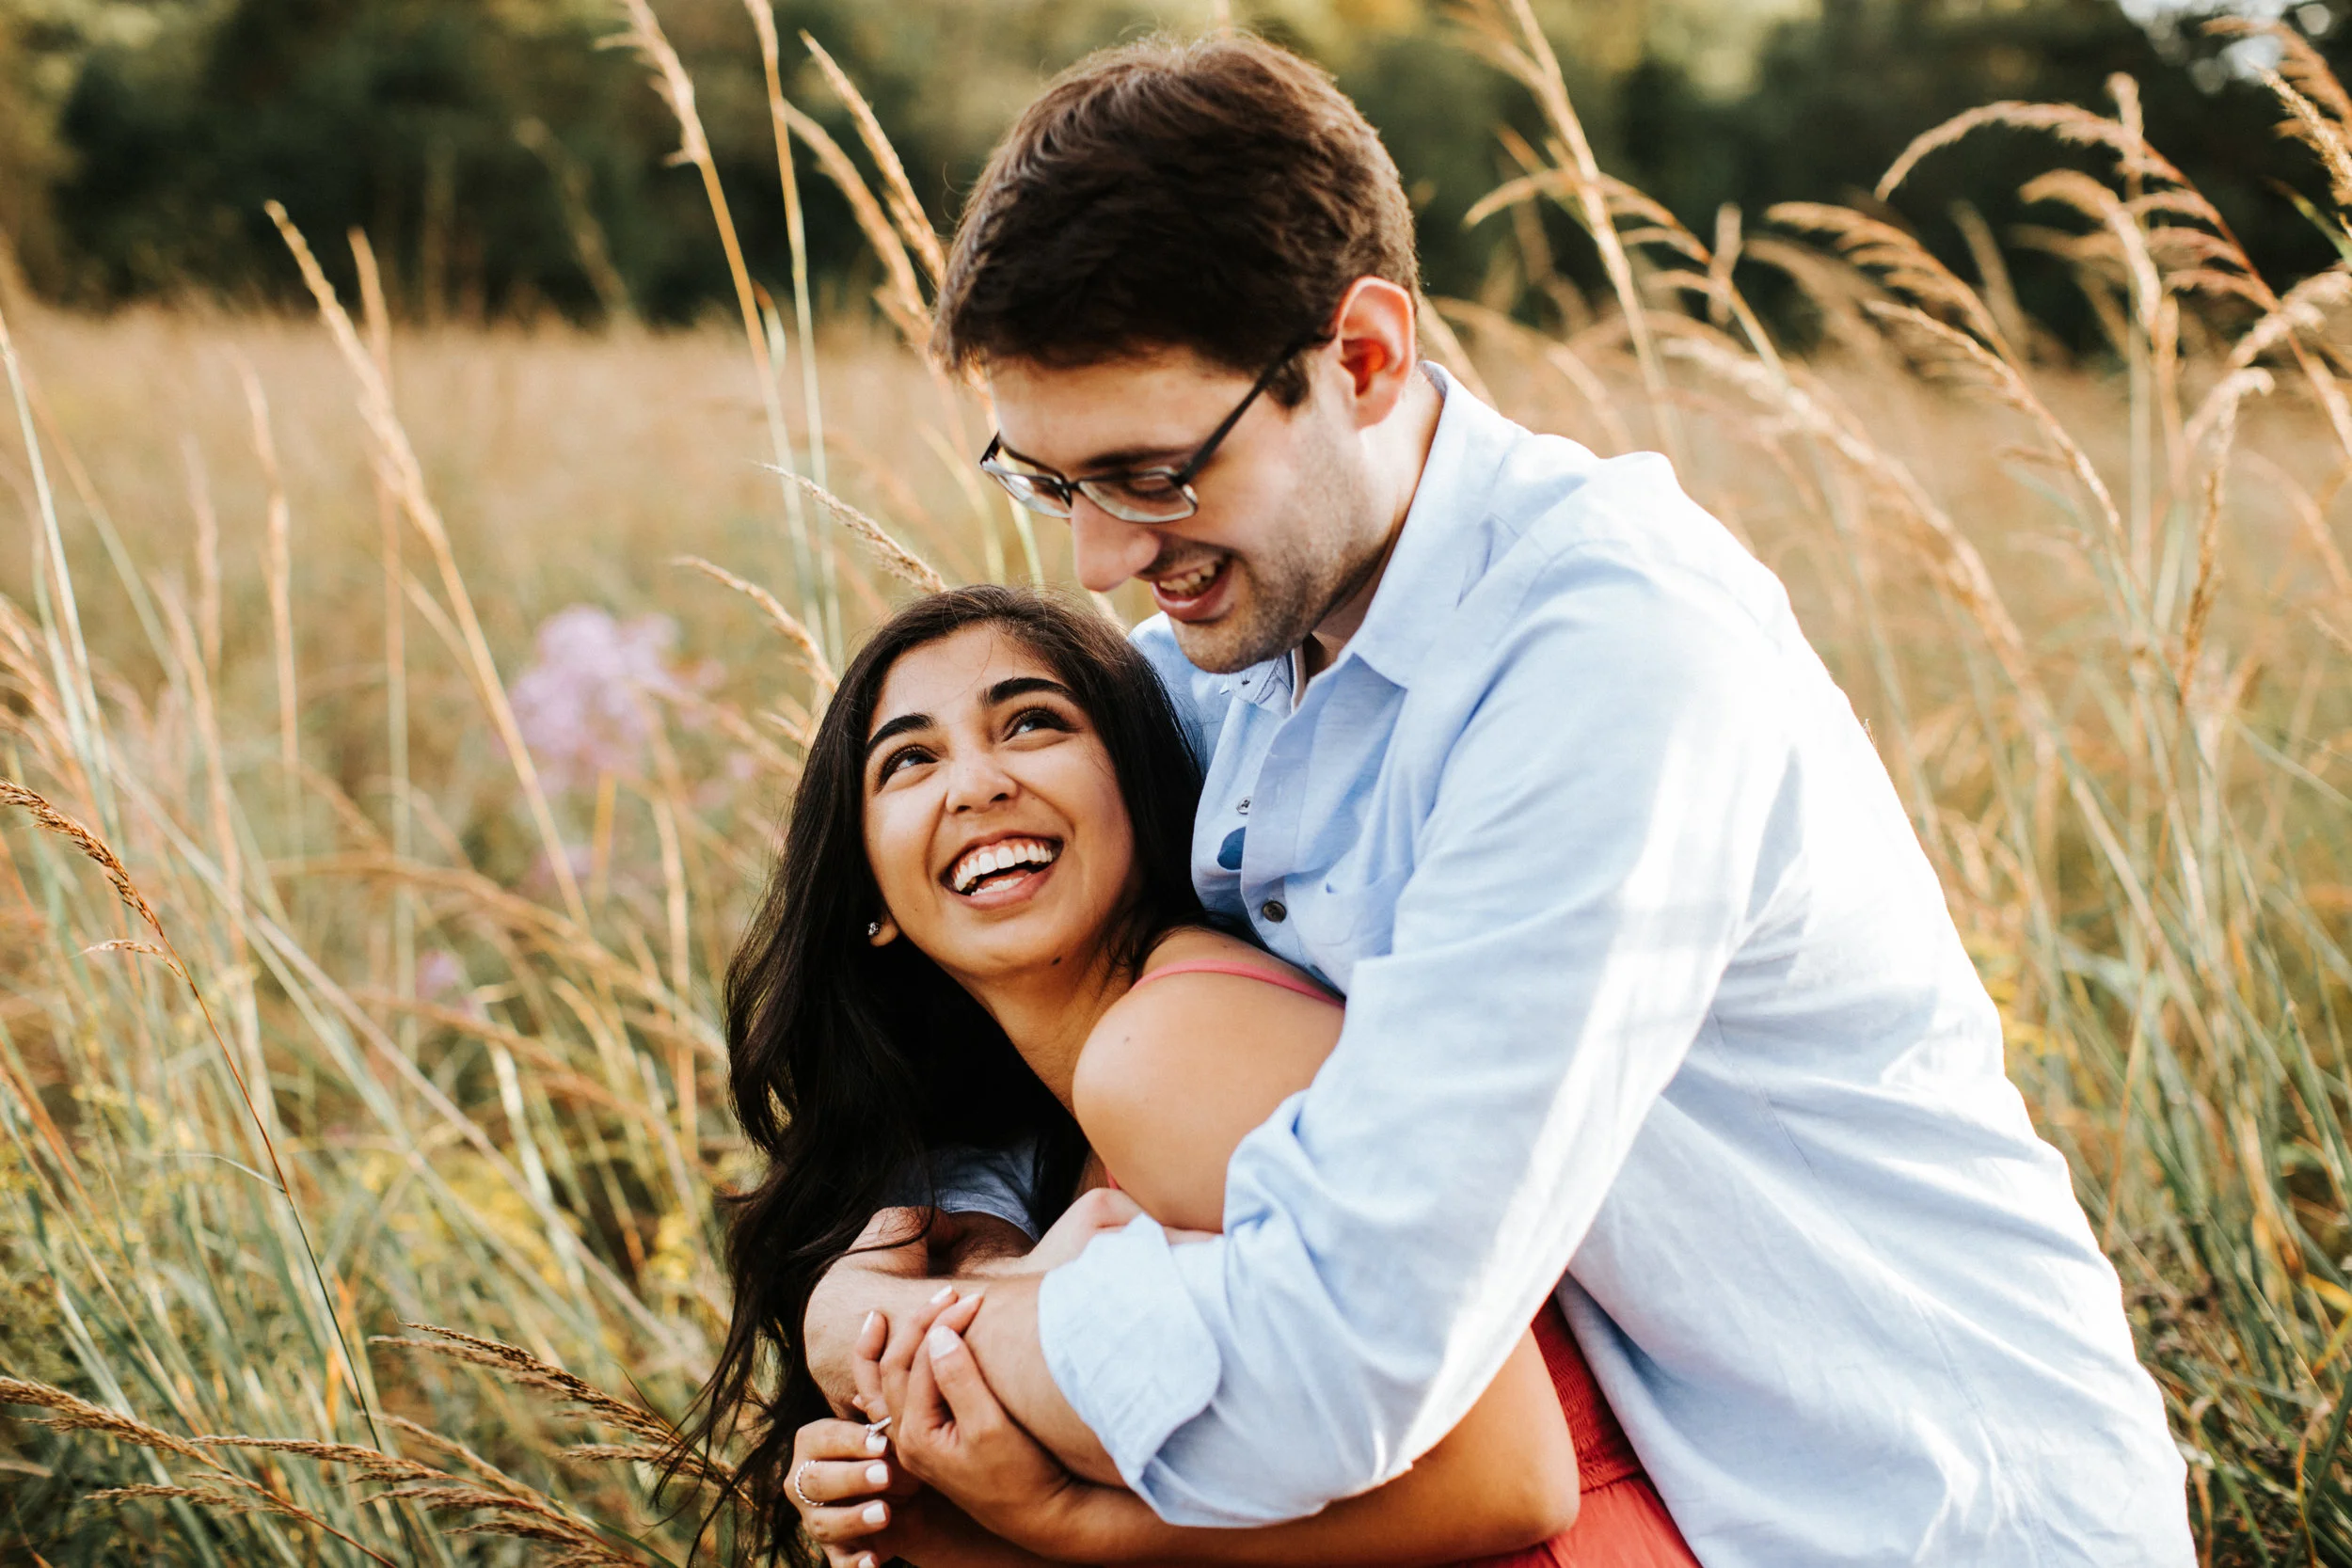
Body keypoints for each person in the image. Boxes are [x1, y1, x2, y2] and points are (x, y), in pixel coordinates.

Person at [798, 32, 2193, 1568]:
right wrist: (947, 1236)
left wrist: (955, 1347)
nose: (1103, 559)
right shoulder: (1234, 643)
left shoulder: (1611, 662)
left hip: (1899, 1516)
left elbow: (1345, 1355)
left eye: (1149, 472)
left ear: (1368, 357)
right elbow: (1036, 954)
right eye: (1049, 483)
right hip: (1635, 1504)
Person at [689, 583, 1699, 1566]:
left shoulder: (1171, 1044)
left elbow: (1514, 1477)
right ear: (870, 901)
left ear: (1137, 787)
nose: (978, 783)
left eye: (1034, 724)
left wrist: (1062, 1522)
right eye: (909, 759)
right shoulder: (1063, 1132)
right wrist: (935, 1509)